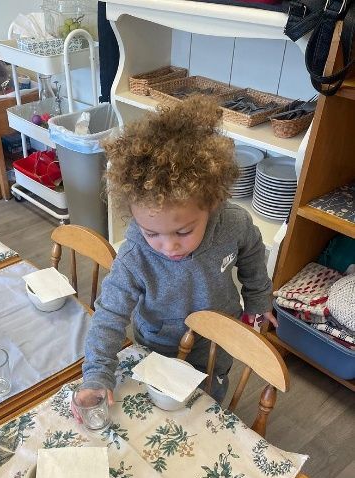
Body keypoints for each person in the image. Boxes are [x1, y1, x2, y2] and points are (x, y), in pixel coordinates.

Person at [81, 96, 277, 406]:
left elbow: (252, 252)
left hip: (216, 343)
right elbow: (109, 314)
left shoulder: (233, 223)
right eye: (152, 233)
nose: (169, 246)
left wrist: (258, 297)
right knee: (162, 409)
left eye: (183, 231)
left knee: (207, 402)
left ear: (212, 204)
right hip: (157, 345)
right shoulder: (135, 254)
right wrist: (97, 372)